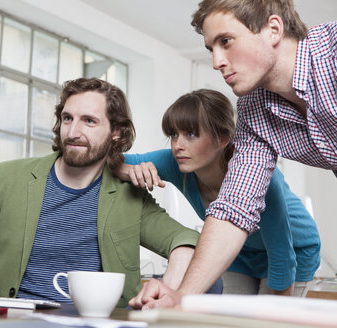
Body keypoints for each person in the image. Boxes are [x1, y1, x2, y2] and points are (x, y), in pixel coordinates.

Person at [130, 0, 335, 309]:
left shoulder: (331, 55)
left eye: (226, 42)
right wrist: (183, 296)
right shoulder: (254, 111)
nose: (216, 61)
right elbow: (235, 207)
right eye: (211, 48)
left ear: (273, 29)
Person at [0, 78, 211, 307]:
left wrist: (169, 290)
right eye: (68, 118)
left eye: (89, 121)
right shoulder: (4, 179)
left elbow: (186, 241)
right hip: (15, 318)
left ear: (116, 132)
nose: (73, 132)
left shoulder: (129, 196)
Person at [116, 89, 320, 307]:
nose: (178, 145)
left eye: (191, 134)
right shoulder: (175, 161)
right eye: (174, 134)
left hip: (293, 250)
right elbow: (110, 162)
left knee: (265, 319)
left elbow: (282, 252)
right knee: (226, 317)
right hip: (241, 251)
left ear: (222, 139)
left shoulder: (259, 177)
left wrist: (279, 314)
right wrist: (129, 170)